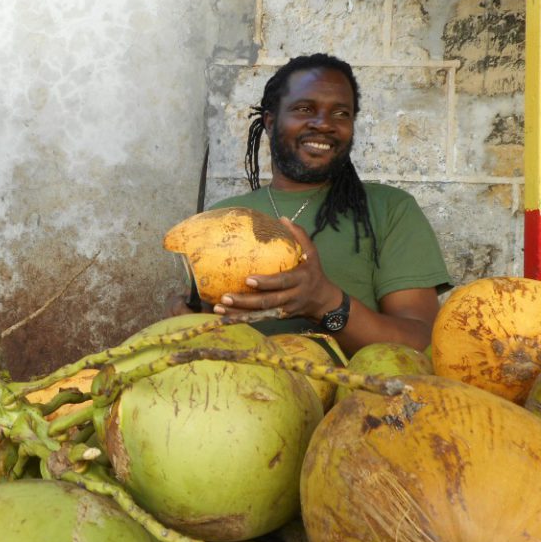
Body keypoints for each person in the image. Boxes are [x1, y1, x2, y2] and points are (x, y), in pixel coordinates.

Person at [167, 53, 452, 355]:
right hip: (243, 393)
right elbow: (204, 323)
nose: (324, 124)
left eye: (341, 114)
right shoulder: (223, 218)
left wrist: (327, 303)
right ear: (270, 121)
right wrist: (188, 321)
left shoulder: (390, 209)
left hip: (360, 398)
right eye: (305, 109)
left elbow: (422, 342)